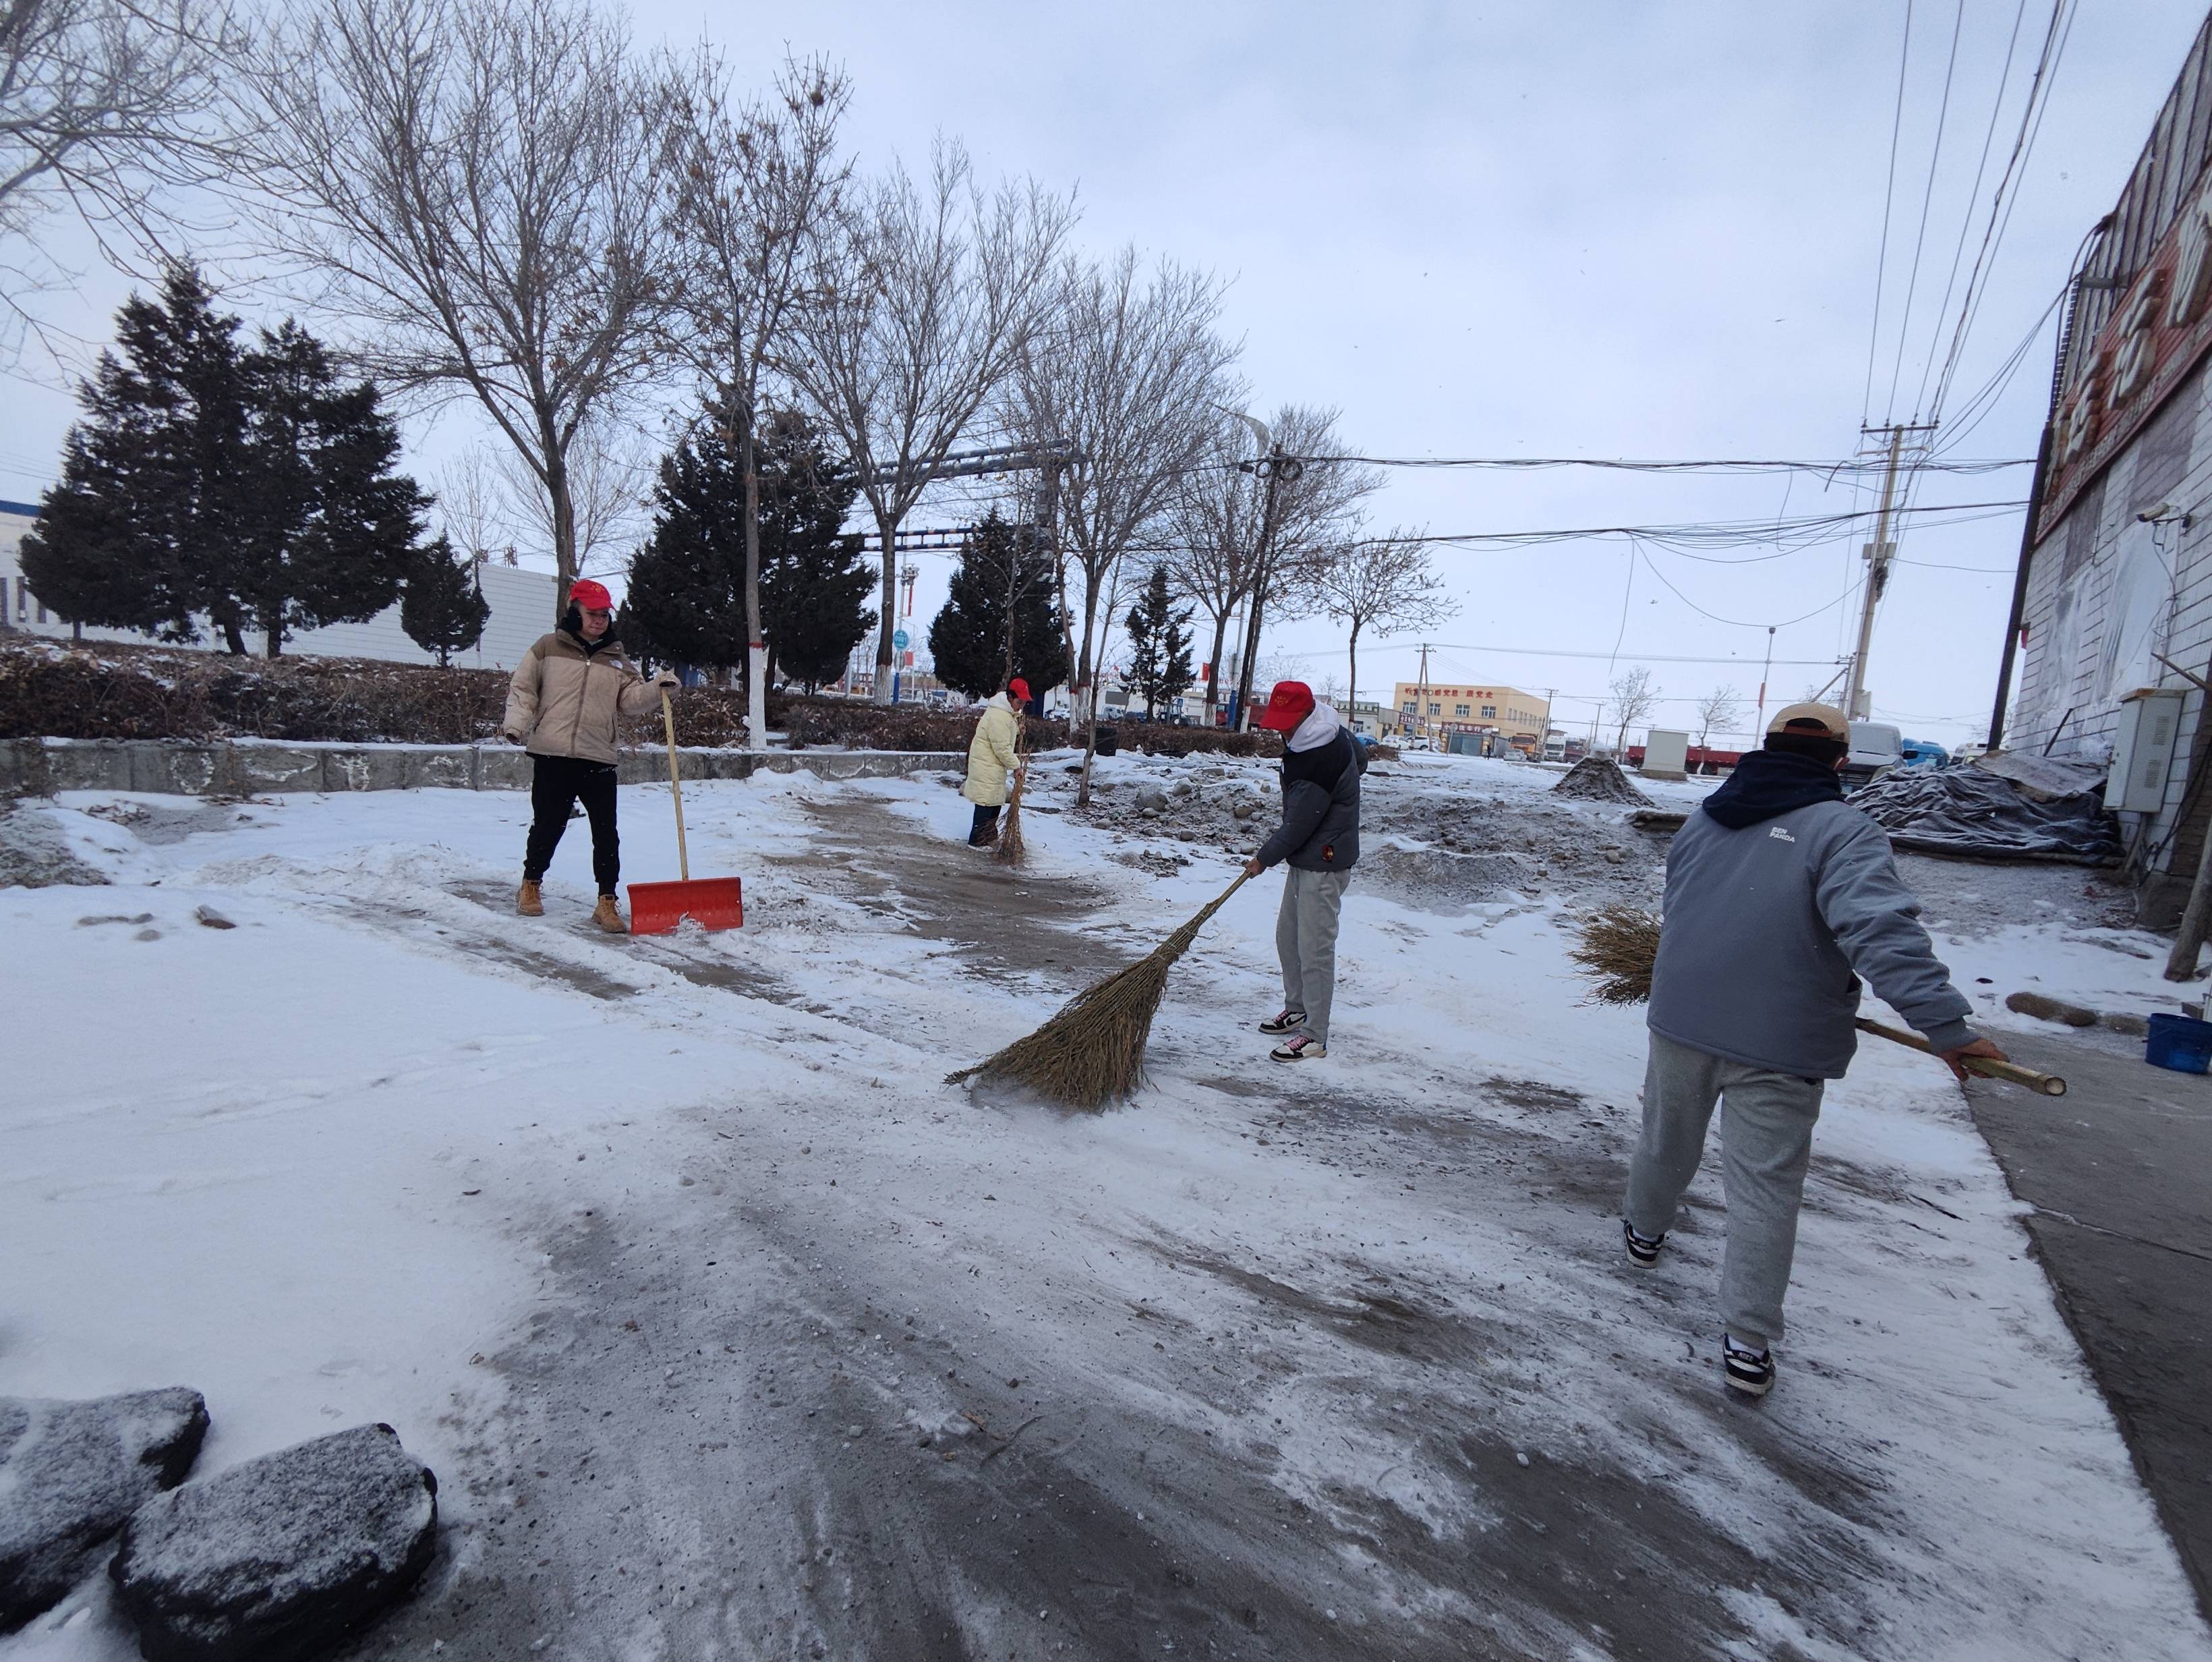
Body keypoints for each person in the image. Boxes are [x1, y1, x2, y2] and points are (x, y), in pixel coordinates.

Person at [1623, 702, 2008, 1398]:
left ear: (1764, 749)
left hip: (1682, 1015)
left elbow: (1682, 910)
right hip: (1780, 1039)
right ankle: (1746, 1340)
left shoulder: (1704, 820)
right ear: (1838, 760)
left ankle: (1643, 1232)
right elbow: (1880, 933)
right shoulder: (1842, 829)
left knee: (1664, 1137)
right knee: (1765, 1189)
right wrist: (1947, 1029)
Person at [501, 579, 677, 933]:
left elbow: (629, 702)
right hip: (553, 752)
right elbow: (523, 687)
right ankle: (531, 885)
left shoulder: (616, 658)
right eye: (592, 614)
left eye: (604, 615)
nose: (599, 620)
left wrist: (656, 690)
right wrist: (516, 725)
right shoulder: (548, 647)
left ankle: (606, 901)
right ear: (575, 612)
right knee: (549, 825)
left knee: (606, 832)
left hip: (598, 755)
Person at [1244, 681, 1364, 1062]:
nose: (1280, 730)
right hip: (1306, 858)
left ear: (1305, 714)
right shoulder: (1328, 731)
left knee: (1314, 949)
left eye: (1285, 722)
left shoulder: (1320, 758)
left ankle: (1315, 1035)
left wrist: (1263, 858)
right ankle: (1298, 1008)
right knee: (1288, 938)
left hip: (1323, 863)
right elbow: (1361, 759)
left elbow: (1298, 824)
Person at [961, 678, 1027, 847]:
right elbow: (1002, 748)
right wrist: (1016, 765)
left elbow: (1003, 737)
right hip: (986, 766)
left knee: (994, 803)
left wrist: (1017, 731)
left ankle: (989, 838)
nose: (1021, 706)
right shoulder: (999, 716)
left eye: (1024, 703)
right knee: (985, 803)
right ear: (1010, 698)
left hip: (992, 766)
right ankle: (977, 842)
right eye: (1019, 702)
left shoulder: (1006, 715)